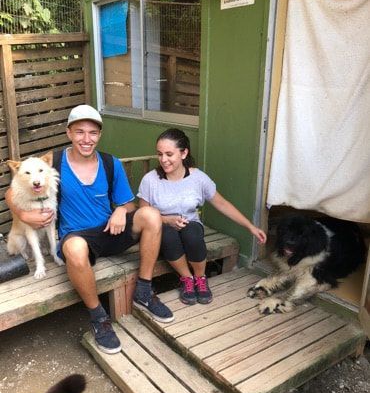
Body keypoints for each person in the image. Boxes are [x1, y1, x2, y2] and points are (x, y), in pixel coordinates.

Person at [5, 105, 174, 355]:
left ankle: (144, 290)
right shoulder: (55, 162)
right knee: (74, 246)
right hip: (78, 237)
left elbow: (129, 203)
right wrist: (22, 213)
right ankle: (98, 317)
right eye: (80, 132)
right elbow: (12, 190)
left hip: (109, 230)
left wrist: (120, 211)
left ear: (99, 135)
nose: (86, 139)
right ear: (69, 133)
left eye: (93, 133)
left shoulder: (110, 163)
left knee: (150, 214)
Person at [137, 128, 267, 305]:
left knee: (191, 233)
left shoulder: (198, 178)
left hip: (190, 224)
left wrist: (250, 226)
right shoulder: (150, 180)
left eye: (169, 154)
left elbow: (222, 204)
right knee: (168, 235)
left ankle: (200, 278)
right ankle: (187, 279)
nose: (163, 160)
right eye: (159, 154)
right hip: (161, 228)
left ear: (184, 153)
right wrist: (167, 220)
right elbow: (143, 215)